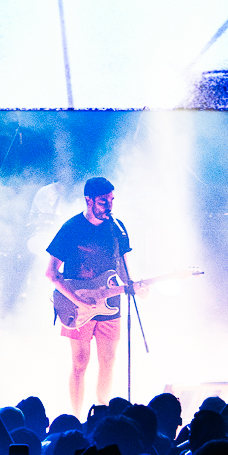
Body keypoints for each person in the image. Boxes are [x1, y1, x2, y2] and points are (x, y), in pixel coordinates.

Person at [44, 177, 133, 413]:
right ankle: (76, 417)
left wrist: (134, 287)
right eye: (104, 201)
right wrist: (79, 301)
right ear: (89, 200)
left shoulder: (118, 228)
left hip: (110, 305)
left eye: (112, 200)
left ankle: (102, 414)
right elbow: (51, 273)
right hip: (76, 306)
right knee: (80, 364)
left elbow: (124, 268)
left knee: (108, 362)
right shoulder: (71, 228)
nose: (109, 206)